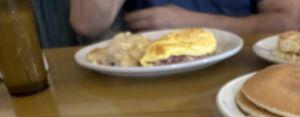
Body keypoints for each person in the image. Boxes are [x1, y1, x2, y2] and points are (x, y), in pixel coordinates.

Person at [70, 0, 300, 38]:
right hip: (145, 85)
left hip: (236, 71)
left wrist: (191, 22)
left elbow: (290, 19)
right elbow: (86, 23)